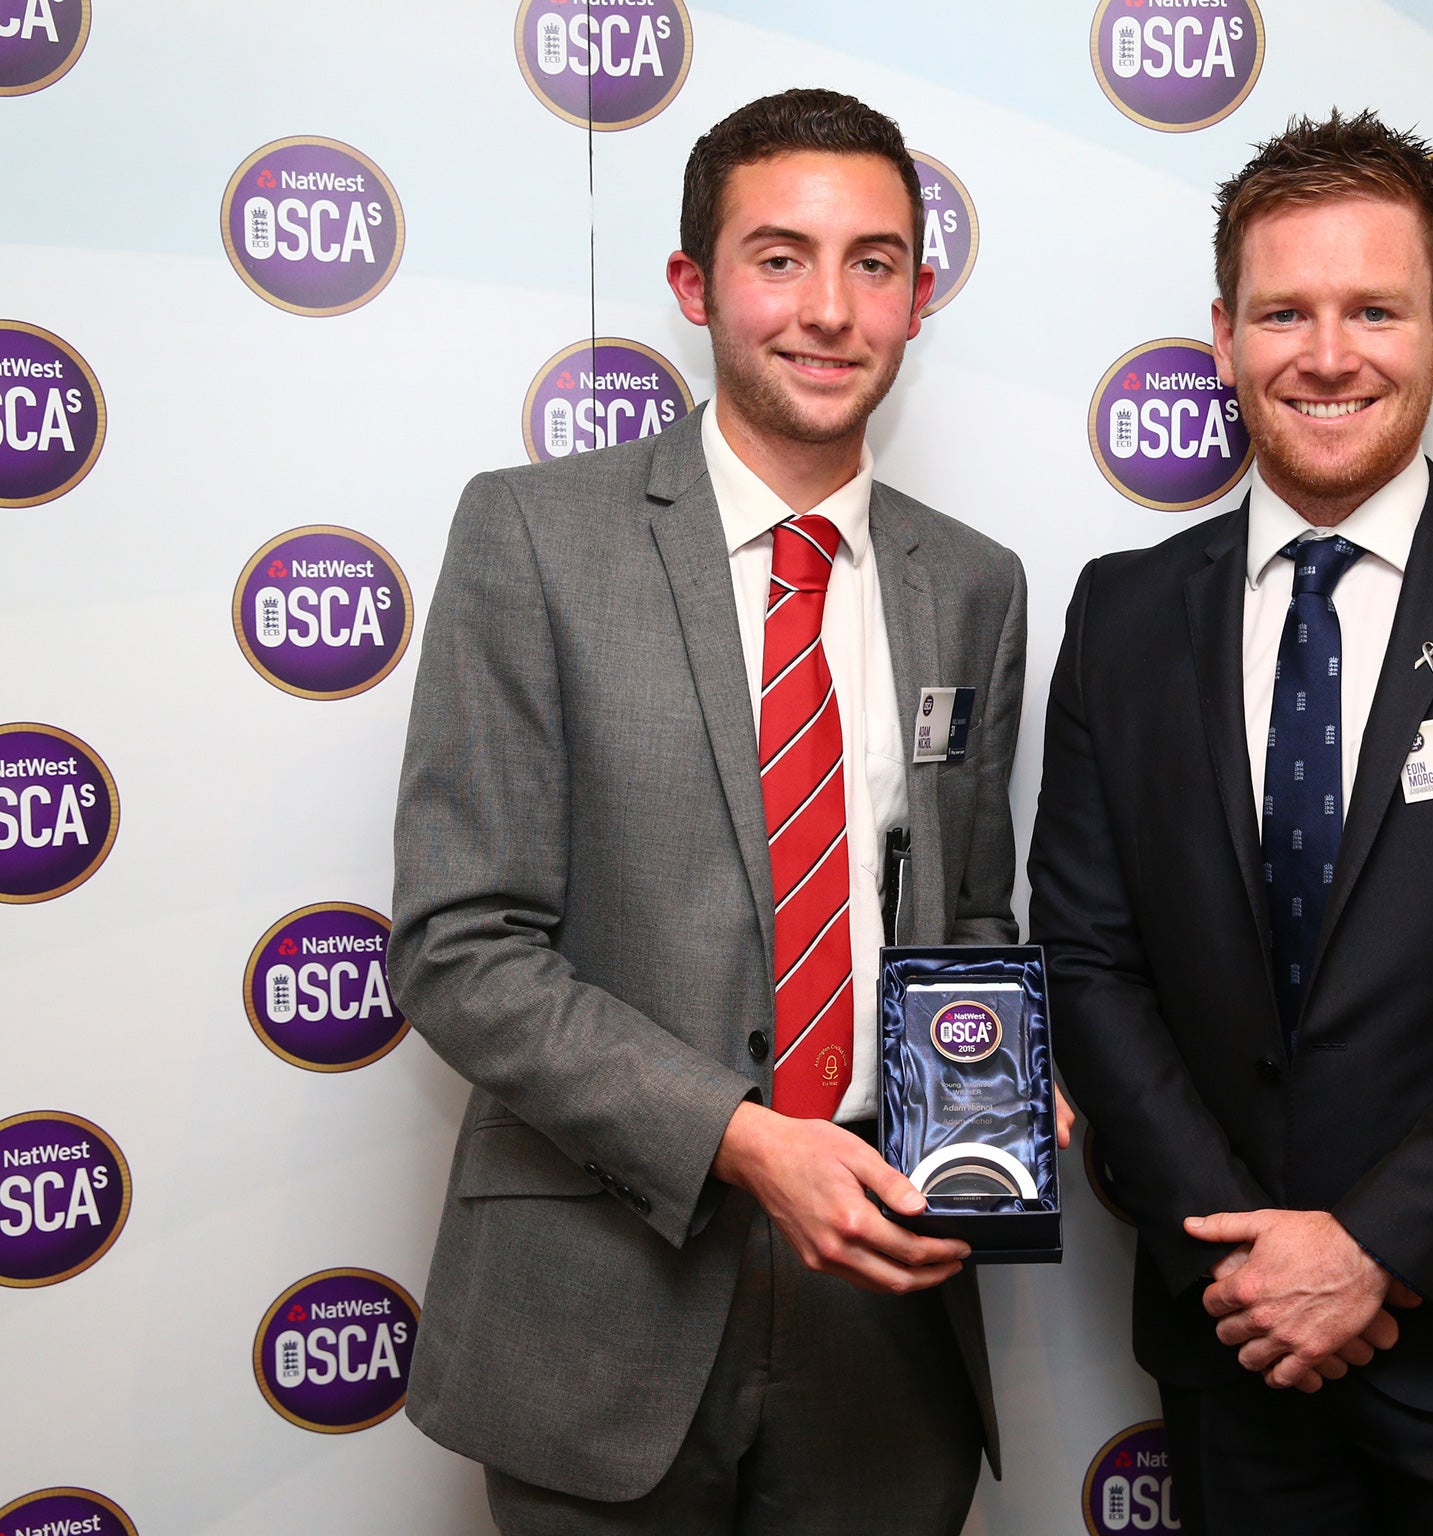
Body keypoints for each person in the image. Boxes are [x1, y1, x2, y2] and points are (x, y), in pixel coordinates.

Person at [391, 88, 1051, 1535]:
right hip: (601, 1295)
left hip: (887, 1294)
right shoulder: (532, 536)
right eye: (779, 258)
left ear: (918, 298)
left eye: (873, 263)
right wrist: (747, 1141)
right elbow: (461, 944)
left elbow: (974, 911)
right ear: (695, 285)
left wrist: (1006, 1093)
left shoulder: (976, 583)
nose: (829, 309)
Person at [1029, 109, 1433, 1534]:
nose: (1328, 355)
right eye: (1285, 311)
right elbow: (1087, 965)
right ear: (1224, 335)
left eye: (1374, 309)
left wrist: (1377, 1249)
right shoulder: (1125, 614)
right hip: (1237, 1335)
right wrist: (1256, 1265)